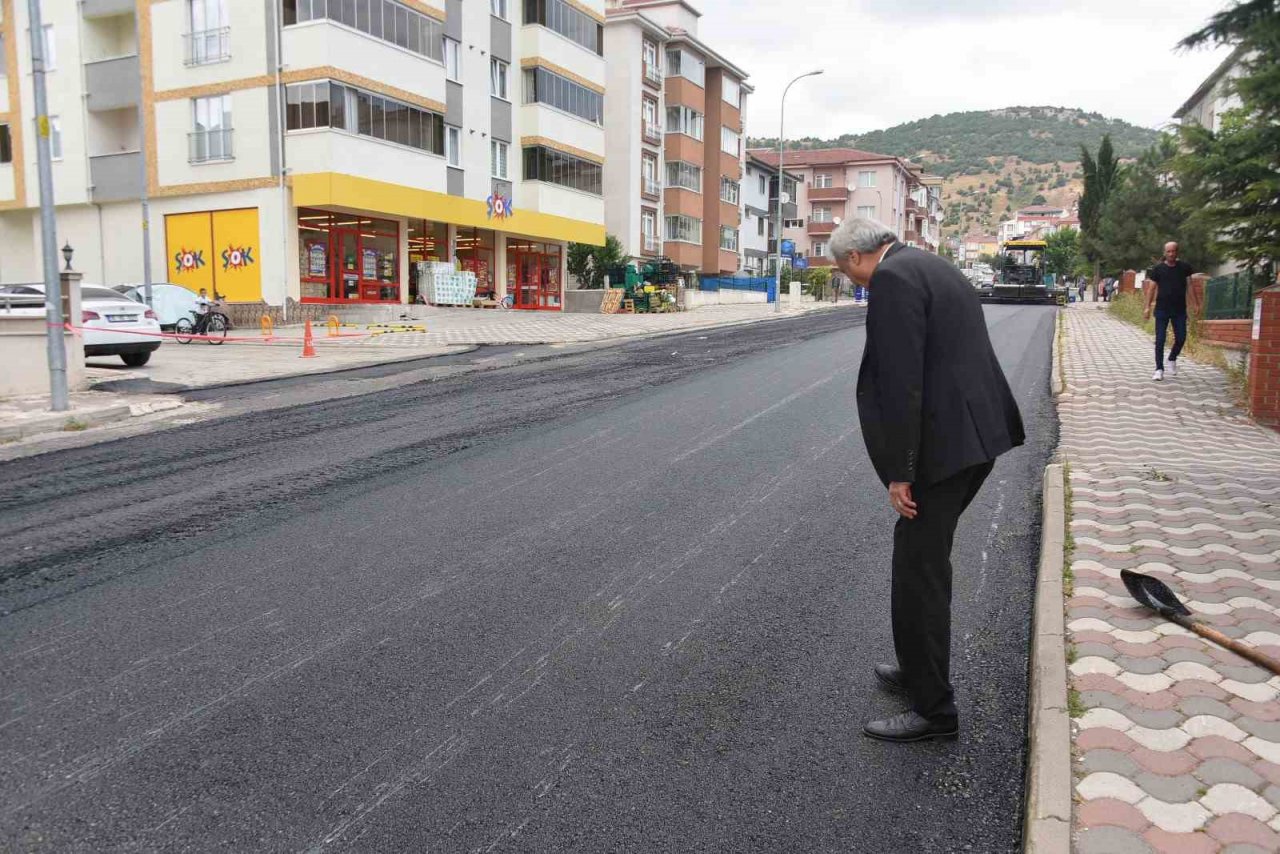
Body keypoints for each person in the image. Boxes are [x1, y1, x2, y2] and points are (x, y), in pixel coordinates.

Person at [829, 218, 1025, 743]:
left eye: (846, 272)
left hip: (945, 448)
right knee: (922, 555)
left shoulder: (892, 279)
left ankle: (934, 710)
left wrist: (901, 472)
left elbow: (901, 382)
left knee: (919, 568)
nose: (854, 282)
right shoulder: (932, 264)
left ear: (855, 257)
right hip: (977, 436)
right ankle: (917, 668)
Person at [1143, 242, 1201, 381]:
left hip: (1179, 309)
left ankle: (1172, 357)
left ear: (1177, 252)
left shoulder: (1185, 268)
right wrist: (1147, 307)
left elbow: (1190, 286)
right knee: (1160, 340)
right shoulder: (1158, 269)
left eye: (1173, 251)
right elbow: (1151, 288)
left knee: (1181, 338)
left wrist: (1196, 304)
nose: (1171, 254)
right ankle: (1159, 369)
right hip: (1162, 309)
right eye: (1168, 251)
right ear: (1164, 253)